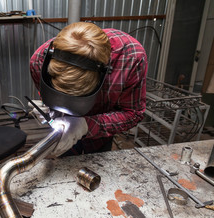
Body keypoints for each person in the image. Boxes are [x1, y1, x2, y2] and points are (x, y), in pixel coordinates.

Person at [29, 22, 147, 157]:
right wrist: (48, 107)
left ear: (103, 75)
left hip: (101, 137)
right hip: (61, 133)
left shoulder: (131, 57)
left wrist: (86, 125)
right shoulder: (39, 61)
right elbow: (45, 96)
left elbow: (133, 113)